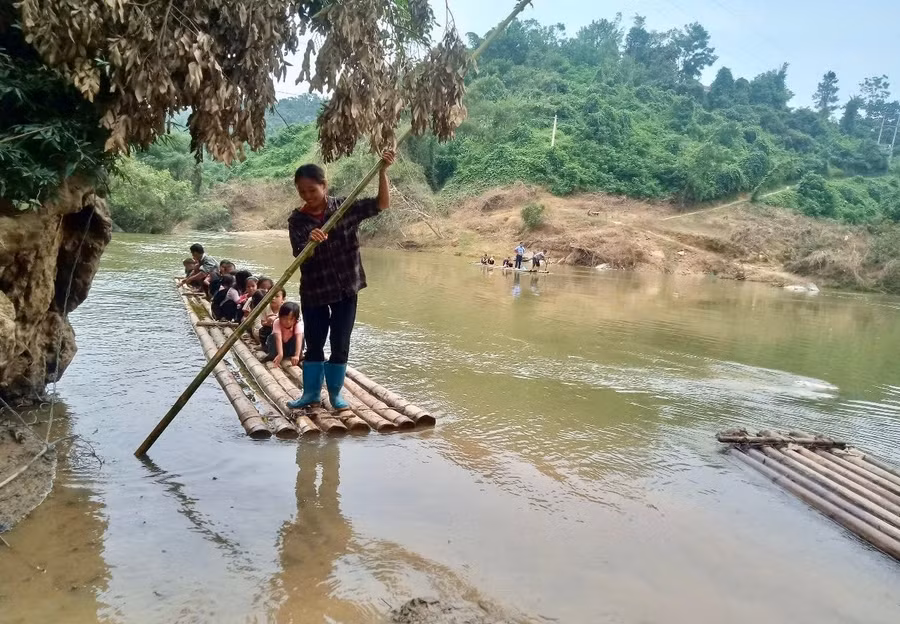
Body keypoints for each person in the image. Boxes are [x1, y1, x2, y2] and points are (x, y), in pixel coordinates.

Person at [285, 149, 395, 410]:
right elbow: (298, 253)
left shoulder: (345, 208)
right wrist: (310, 241)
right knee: (314, 344)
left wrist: (382, 172)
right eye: (302, 191)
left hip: (346, 287)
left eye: (312, 190)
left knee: (340, 343)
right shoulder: (297, 220)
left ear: (324, 185)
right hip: (315, 291)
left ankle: (335, 394)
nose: (307, 196)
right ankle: (311, 394)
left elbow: (381, 204)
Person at [265, 301, 303, 368]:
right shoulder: (277, 322)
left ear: (295, 319)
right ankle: (273, 356)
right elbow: (278, 339)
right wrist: (280, 354)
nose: (288, 321)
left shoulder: (297, 324)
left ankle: (298, 357)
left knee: (302, 337)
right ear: (280, 316)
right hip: (278, 347)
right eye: (285, 318)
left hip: (290, 347)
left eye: (291, 319)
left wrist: (297, 355)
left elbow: (299, 339)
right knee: (272, 337)